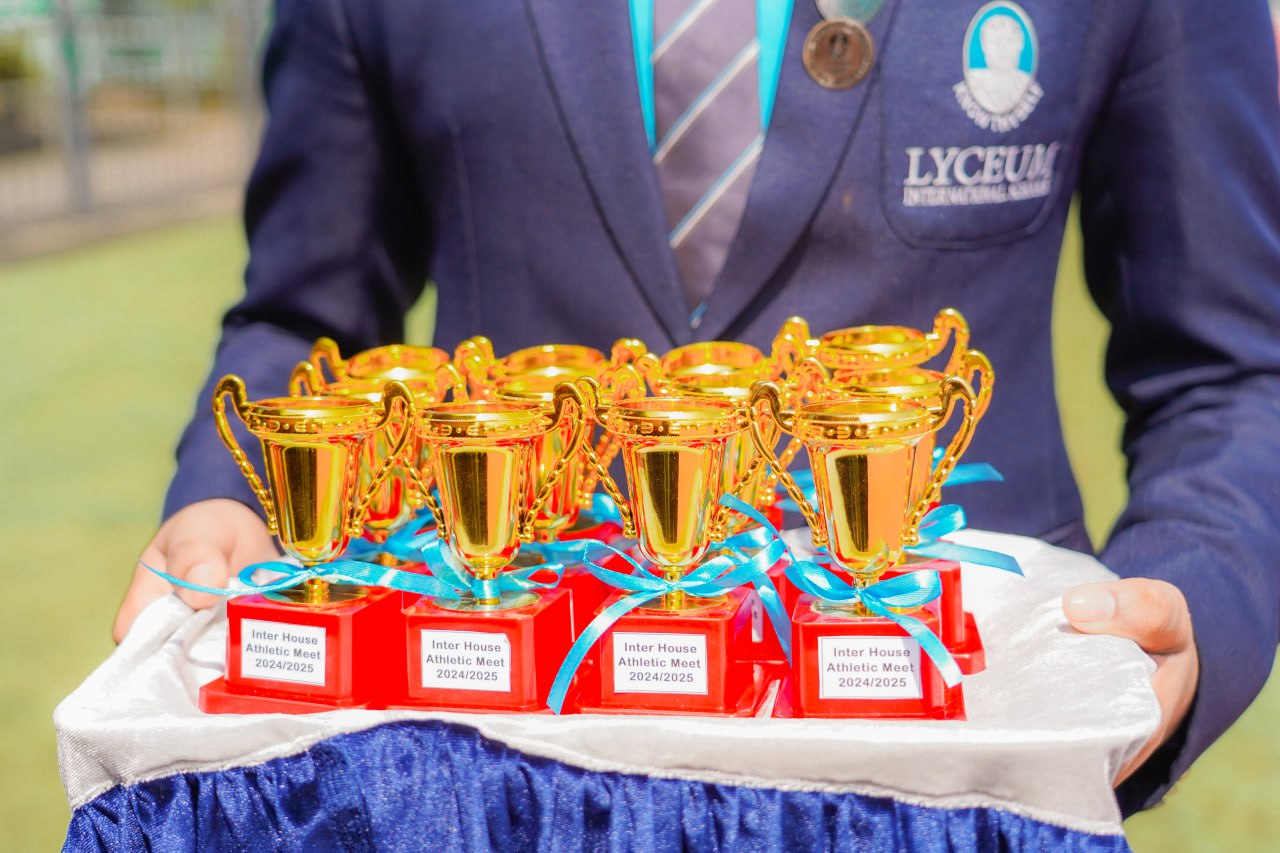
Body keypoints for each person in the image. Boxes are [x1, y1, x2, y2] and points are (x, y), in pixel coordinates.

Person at [112, 0, 1280, 817]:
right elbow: (307, 320)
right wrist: (227, 496)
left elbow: (1228, 361)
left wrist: (1194, 588)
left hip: (959, 761)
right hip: (501, 766)